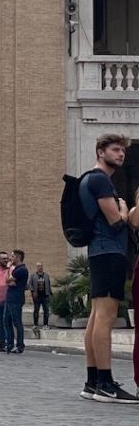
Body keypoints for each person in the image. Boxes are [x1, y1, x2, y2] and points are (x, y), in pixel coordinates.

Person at [78, 134, 139, 402]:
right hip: (109, 251)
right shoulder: (101, 179)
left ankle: (93, 381)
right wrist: (124, 207)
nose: (121, 154)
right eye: (115, 150)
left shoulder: (89, 179)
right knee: (106, 316)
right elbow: (116, 221)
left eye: (122, 151)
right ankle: (105, 382)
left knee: (96, 315)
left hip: (98, 252)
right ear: (100, 151)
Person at [5, 249, 29, 354]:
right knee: (6, 321)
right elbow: (9, 282)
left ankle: (20, 345)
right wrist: (10, 281)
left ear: (18, 257)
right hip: (10, 298)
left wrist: (8, 268)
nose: (11, 258)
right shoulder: (17, 269)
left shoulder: (21, 269)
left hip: (16, 298)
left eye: (12, 256)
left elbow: (7, 280)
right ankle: (10, 344)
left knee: (17, 322)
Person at [28, 262, 52, 331]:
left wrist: (50, 293)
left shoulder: (46, 275)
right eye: (38, 266)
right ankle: (35, 324)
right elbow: (30, 284)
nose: (40, 267)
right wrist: (33, 292)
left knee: (46, 311)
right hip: (37, 296)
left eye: (41, 266)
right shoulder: (33, 276)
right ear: (36, 267)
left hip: (45, 296)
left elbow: (49, 284)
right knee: (36, 310)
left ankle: (45, 324)